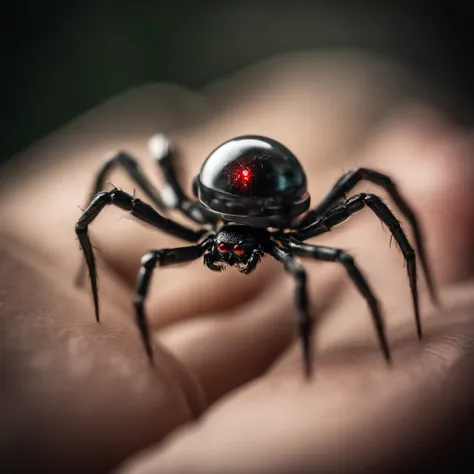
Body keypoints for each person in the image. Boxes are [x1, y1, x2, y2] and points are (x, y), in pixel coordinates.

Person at [1, 51, 473, 474]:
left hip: (281, 210)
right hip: (239, 204)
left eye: (232, 250)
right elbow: (108, 196)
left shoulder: (280, 233)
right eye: (226, 249)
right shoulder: (210, 224)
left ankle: (397, 308)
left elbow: (360, 218)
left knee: (363, 198)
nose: (230, 254)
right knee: (116, 196)